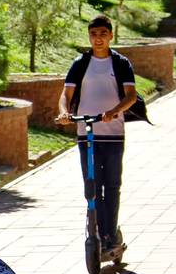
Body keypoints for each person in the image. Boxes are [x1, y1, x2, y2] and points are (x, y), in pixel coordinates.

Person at [56, 15, 139, 255]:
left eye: (103, 33)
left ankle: (110, 235)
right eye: (94, 34)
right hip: (87, 134)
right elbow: (66, 95)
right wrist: (64, 112)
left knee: (112, 185)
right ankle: (99, 233)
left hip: (113, 134)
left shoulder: (120, 63)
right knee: (92, 186)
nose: (98, 38)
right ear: (89, 36)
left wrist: (114, 111)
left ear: (111, 35)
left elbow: (131, 96)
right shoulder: (80, 64)